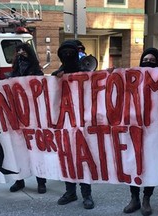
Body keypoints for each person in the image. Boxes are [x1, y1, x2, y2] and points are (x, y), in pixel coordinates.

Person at [52, 40, 95, 210]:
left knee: (83, 160)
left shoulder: (86, 71)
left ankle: (87, 194)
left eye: (71, 52)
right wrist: (56, 79)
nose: (68, 56)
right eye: (65, 53)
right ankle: (70, 192)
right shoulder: (58, 75)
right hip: (65, 124)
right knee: (67, 159)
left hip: (83, 124)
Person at [123, 47, 158, 216]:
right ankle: (134, 198)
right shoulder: (133, 80)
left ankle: (147, 199)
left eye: (152, 61)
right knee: (133, 163)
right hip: (135, 130)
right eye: (145, 60)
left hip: (154, 132)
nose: (148, 63)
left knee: (150, 165)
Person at [7, 42, 47, 194]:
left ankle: (41, 181)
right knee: (17, 149)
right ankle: (19, 180)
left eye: (24, 50)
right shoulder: (14, 71)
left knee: (36, 149)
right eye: (18, 51)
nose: (21, 53)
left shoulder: (36, 71)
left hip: (34, 115)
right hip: (17, 115)